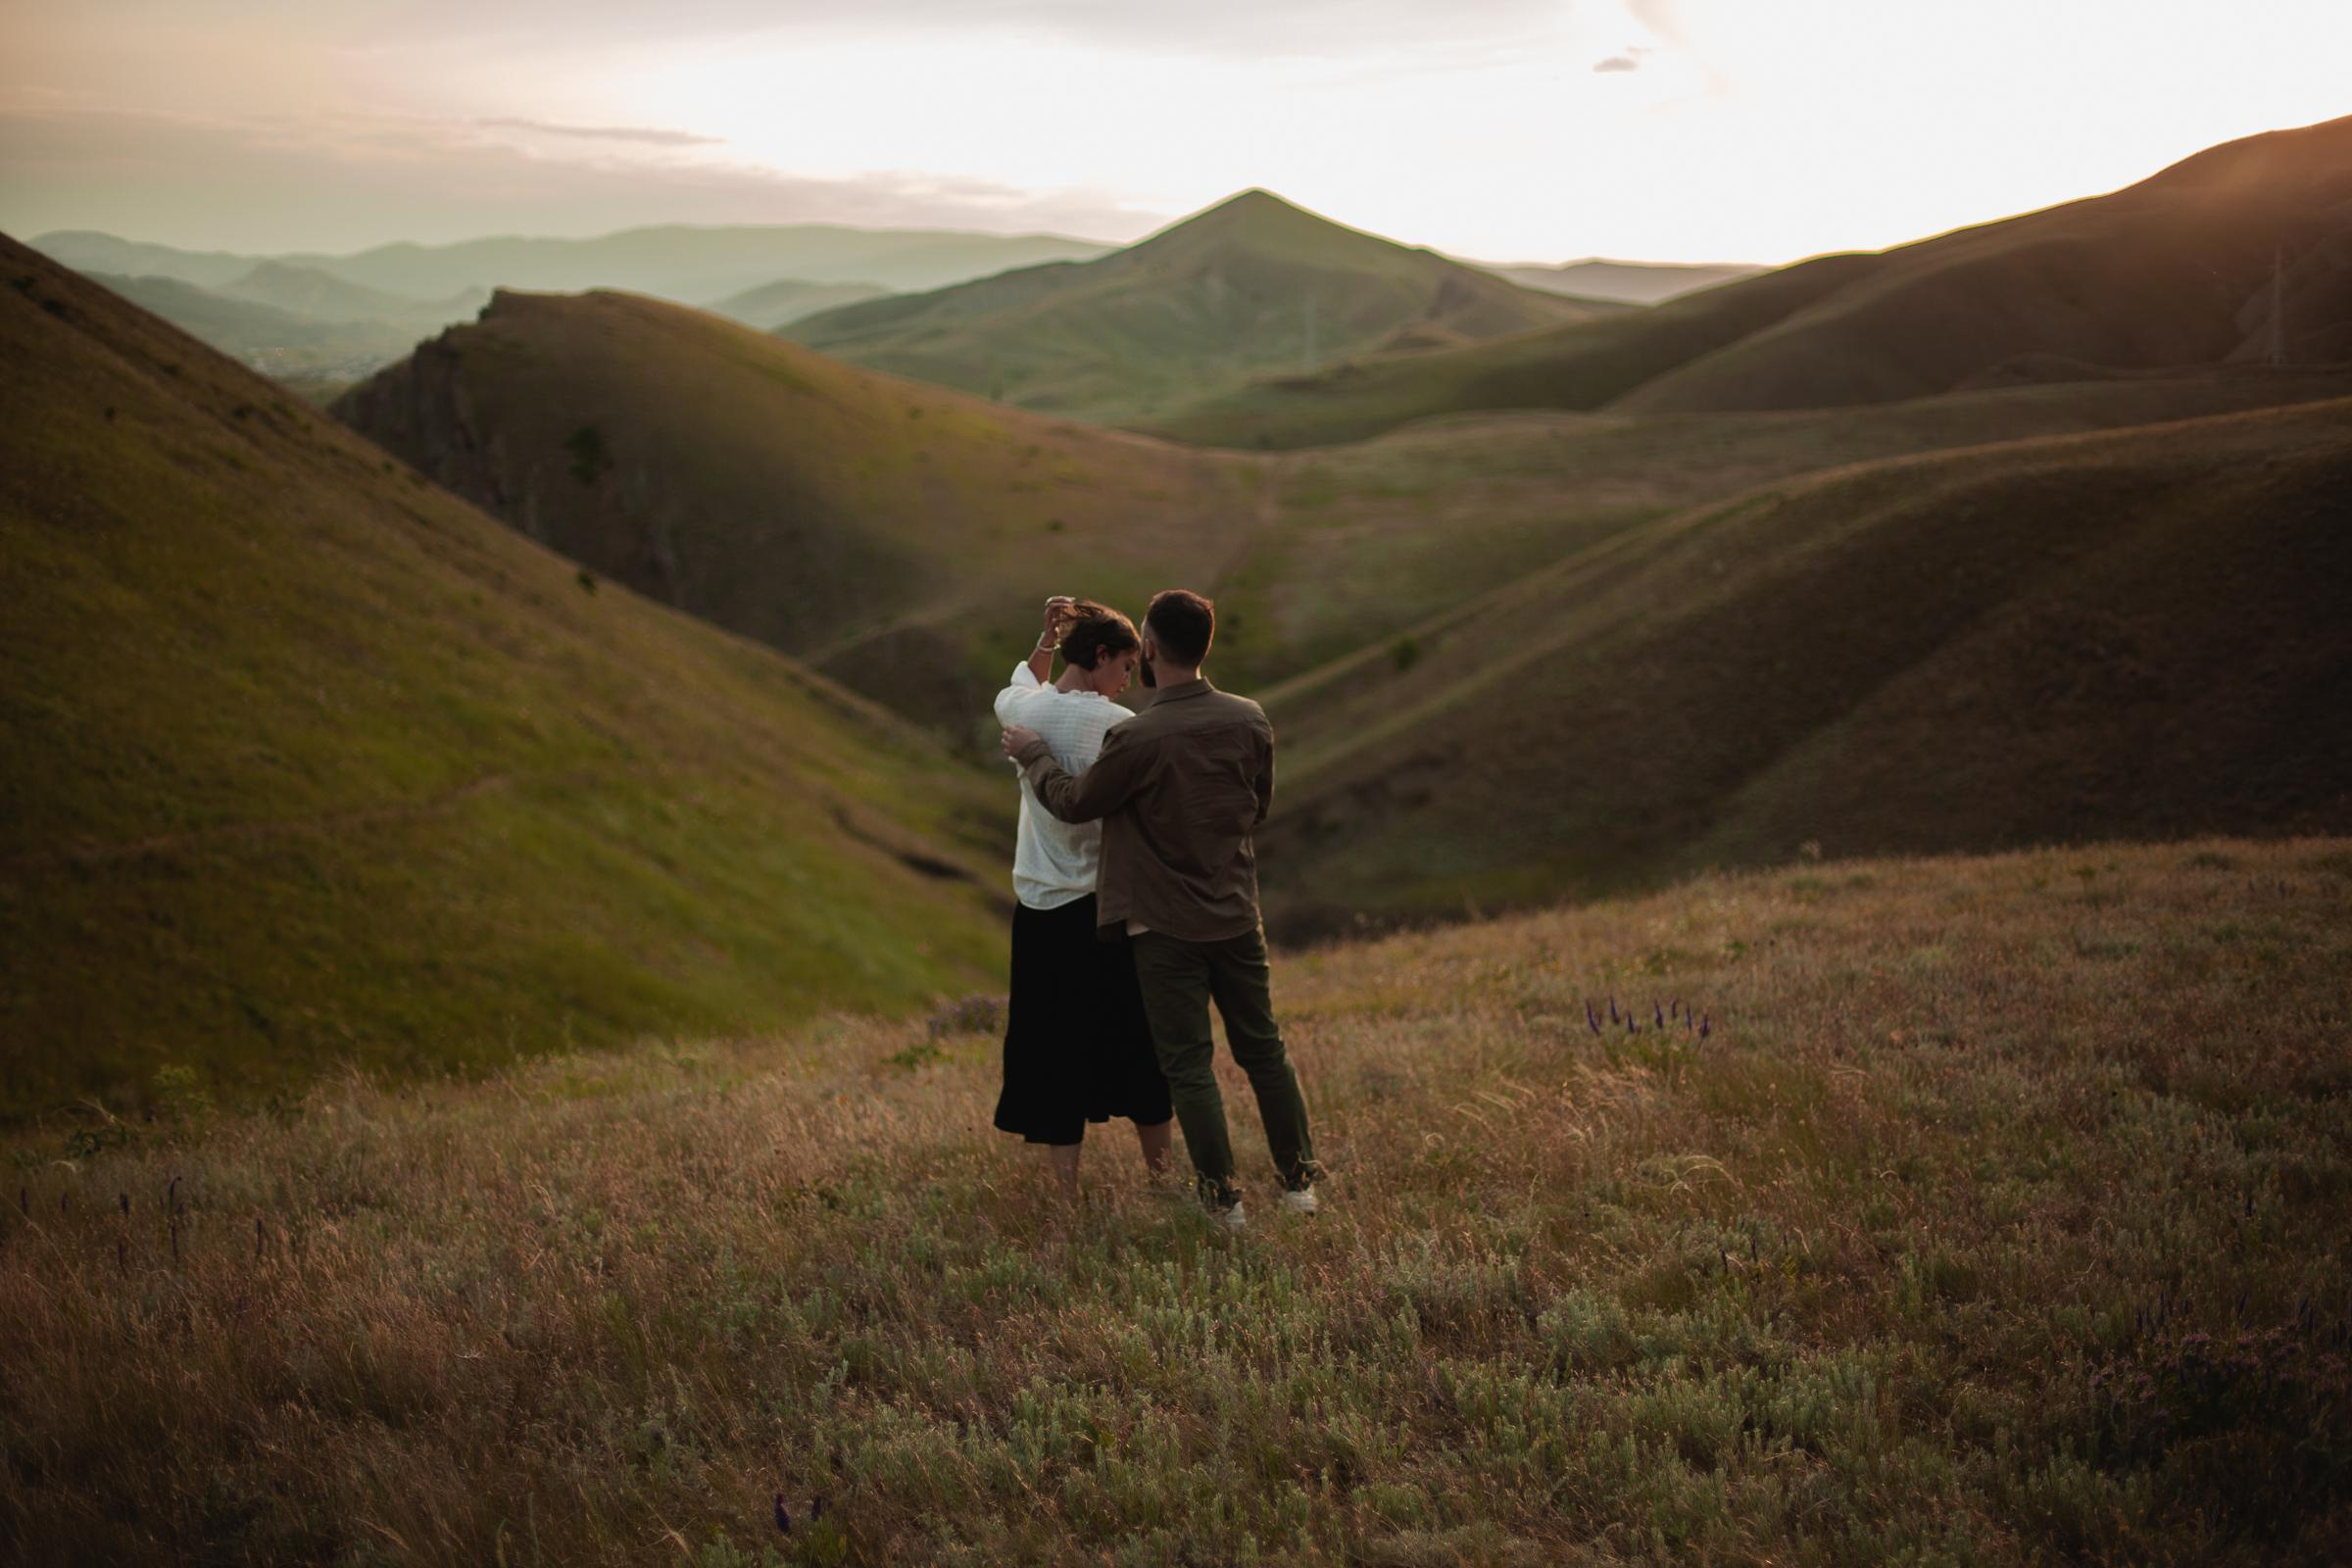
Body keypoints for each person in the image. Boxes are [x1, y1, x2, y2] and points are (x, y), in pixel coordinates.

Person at [1001, 588, 1321, 1230]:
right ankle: (1299, 1187)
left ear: (1147, 649)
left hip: (1162, 924)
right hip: (1234, 909)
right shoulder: (1251, 718)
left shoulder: (1137, 736)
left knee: (1187, 1065)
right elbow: (1256, 806)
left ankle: (1222, 1202)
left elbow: (1073, 801)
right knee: (1264, 1051)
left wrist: (1033, 752)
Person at [991, 596, 1174, 1199]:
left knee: (1052, 1046)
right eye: (1124, 667)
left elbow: (1023, 682)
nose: (1128, 682)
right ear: (1100, 657)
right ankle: (1162, 1179)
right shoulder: (1121, 727)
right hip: (1107, 908)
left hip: (1042, 909)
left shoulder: (1022, 713)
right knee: (1135, 1039)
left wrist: (1046, 638)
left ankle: (1065, 1196)